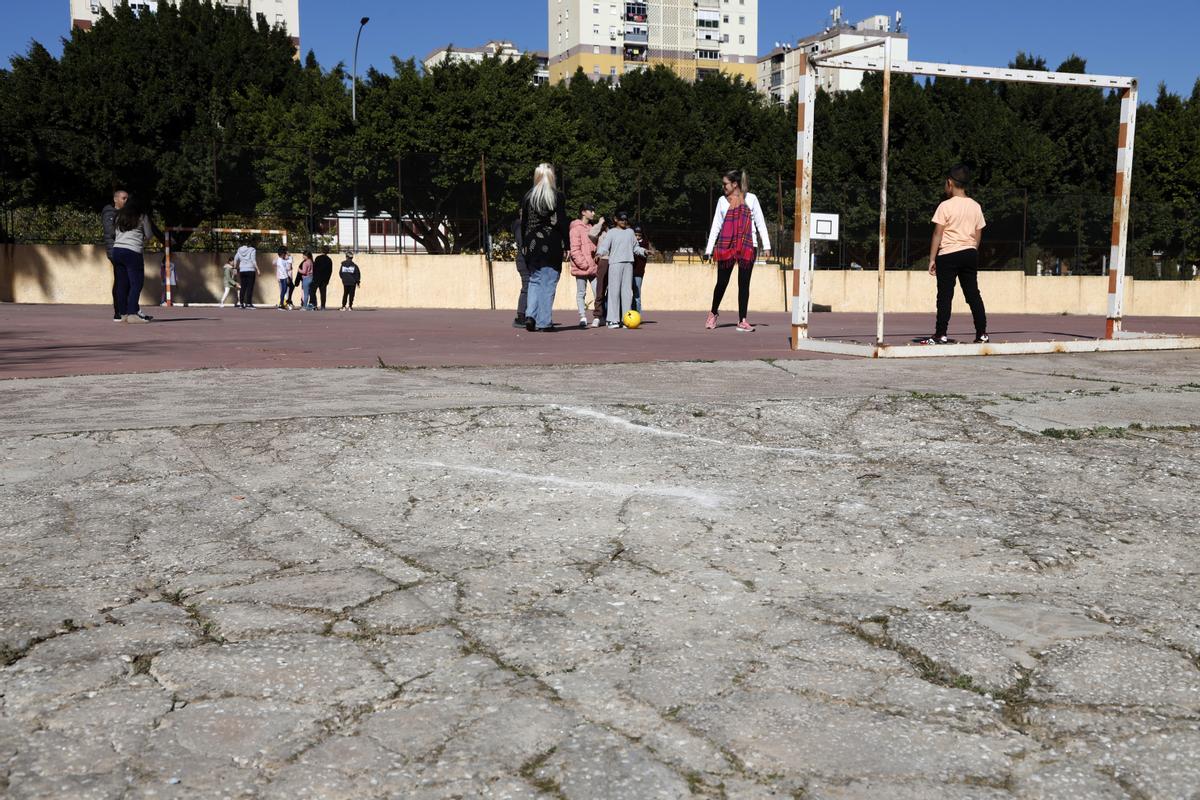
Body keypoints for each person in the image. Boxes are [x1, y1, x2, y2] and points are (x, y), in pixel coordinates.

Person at [921, 164, 988, 345]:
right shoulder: (975, 206)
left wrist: (932, 258)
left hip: (948, 254)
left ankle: (940, 334)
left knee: (945, 295)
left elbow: (938, 233)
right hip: (969, 253)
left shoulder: (945, 206)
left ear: (949, 183)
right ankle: (982, 333)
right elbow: (978, 233)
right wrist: (972, 249)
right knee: (973, 294)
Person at [704, 169, 772, 332]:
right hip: (727, 246)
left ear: (734, 184)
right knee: (722, 282)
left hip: (748, 245)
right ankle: (713, 313)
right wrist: (709, 249)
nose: (723, 186)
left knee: (744, 283)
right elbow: (716, 226)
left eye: (725, 183)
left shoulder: (752, 199)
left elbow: (760, 223)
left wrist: (767, 245)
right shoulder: (722, 201)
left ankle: (742, 320)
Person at [519, 163, 570, 332]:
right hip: (551, 241)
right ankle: (544, 321)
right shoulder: (557, 196)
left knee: (535, 279)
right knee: (549, 281)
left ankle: (530, 316)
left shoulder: (528, 196)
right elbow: (562, 221)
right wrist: (567, 244)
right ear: (552, 176)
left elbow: (524, 223)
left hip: (532, 242)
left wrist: (524, 245)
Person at [109, 194, 164, 324]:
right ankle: (133, 313)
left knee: (121, 284)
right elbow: (149, 235)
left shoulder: (119, 216)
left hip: (117, 250)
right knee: (136, 283)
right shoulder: (141, 216)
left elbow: (113, 233)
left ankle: (123, 314)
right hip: (133, 252)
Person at [596, 211, 646, 329]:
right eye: (621, 219)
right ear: (615, 219)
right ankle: (612, 320)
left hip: (628, 263)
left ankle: (626, 319)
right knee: (614, 291)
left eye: (625, 219)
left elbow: (635, 247)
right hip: (615, 264)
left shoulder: (630, 232)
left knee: (627, 293)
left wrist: (644, 251)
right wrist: (599, 253)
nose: (624, 221)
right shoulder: (612, 232)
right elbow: (604, 246)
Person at [568, 203, 600, 328]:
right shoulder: (575, 228)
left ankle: (598, 316)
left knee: (598, 292)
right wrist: (585, 265)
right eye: (591, 211)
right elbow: (575, 250)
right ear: (583, 212)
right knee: (581, 293)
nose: (593, 213)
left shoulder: (592, 228)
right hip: (582, 267)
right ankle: (582, 317)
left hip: (593, 267)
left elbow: (595, 247)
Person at [101, 189, 129, 321]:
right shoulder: (109, 212)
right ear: (115, 199)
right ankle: (118, 311)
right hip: (115, 250)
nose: (126, 201)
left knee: (127, 280)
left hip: (124, 249)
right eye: (123, 198)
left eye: (127, 198)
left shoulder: (125, 213)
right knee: (120, 279)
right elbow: (110, 231)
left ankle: (127, 309)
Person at [589, 215, 609, 327]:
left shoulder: (614, 232)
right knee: (600, 289)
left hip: (615, 262)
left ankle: (611, 315)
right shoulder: (599, 233)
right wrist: (600, 223)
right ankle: (598, 316)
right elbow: (591, 234)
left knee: (613, 291)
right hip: (603, 261)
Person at [511, 217, 530, 328]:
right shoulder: (520, 226)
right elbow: (523, 243)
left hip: (524, 260)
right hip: (523, 260)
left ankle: (526, 314)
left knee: (529, 286)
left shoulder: (522, 225)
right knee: (527, 286)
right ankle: (521, 316)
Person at [235, 239, 260, 308]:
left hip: (242, 270)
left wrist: (235, 269)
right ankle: (248, 304)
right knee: (249, 287)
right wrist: (257, 269)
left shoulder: (239, 250)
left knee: (243, 287)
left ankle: (241, 303)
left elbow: (235, 259)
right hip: (250, 270)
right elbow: (253, 260)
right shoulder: (252, 250)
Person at [632, 225, 650, 312]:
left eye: (639, 235)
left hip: (638, 273)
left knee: (637, 294)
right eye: (635, 235)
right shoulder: (629, 242)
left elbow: (642, 253)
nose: (637, 237)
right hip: (628, 272)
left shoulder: (645, 244)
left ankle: (637, 314)